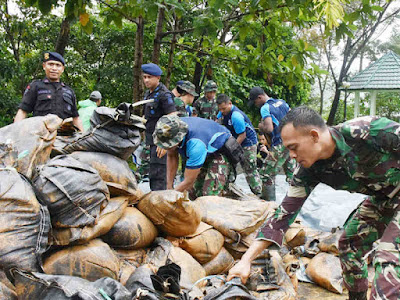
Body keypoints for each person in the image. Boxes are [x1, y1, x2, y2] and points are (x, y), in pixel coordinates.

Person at [228, 106, 400, 300]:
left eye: (293, 147)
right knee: (349, 244)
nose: (291, 155)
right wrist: (245, 261)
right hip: (383, 198)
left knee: (388, 258)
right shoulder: (308, 171)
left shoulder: (365, 131)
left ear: (314, 135)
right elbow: (281, 218)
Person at [153, 115, 235, 198]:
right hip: (203, 149)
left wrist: (171, 196)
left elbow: (188, 181)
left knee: (210, 195)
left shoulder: (196, 144)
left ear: (178, 139)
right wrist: (169, 187)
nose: (166, 147)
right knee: (193, 193)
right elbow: (172, 156)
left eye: (168, 145)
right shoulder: (171, 127)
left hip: (220, 151)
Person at [14, 51, 83, 131]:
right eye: (50, 64)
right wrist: (15, 132)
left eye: (58, 65)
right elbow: (22, 111)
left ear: (62, 69)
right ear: (44, 66)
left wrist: (83, 136)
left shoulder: (69, 91)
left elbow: (75, 118)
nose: (54, 68)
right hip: (40, 136)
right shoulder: (36, 86)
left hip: (64, 138)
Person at [248, 86, 295, 193]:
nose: (255, 105)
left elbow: (269, 128)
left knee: (266, 174)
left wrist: (260, 126)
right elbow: (294, 117)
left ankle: (269, 203)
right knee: (292, 173)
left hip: (280, 143)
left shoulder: (265, 108)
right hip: (291, 142)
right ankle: (295, 202)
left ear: (260, 97)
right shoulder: (282, 102)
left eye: (255, 102)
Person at [216, 94, 263, 198]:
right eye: (220, 109)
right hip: (234, 140)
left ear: (230, 104)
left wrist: (232, 149)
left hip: (248, 143)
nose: (222, 111)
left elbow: (242, 135)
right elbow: (217, 124)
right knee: (229, 165)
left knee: (249, 168)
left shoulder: (236, 116)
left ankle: (258, 193)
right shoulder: (221, 113)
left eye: (224, 108)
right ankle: (229, 190)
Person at [142, 63, 176, 191]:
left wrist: (164, 143)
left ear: (158, 78)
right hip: (150, 138)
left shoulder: (164, 95)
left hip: (160, 140)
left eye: (149, 77)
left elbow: (172, 118)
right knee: (151, 171)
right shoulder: (148, 93)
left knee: (159, 173)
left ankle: (160, 203)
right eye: (144, 77)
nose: (146, 80)